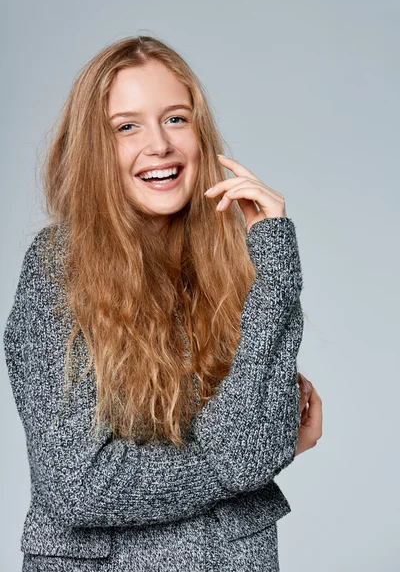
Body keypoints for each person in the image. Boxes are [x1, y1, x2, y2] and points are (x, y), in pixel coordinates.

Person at [3, 35, 322, 572]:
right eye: (127, 126)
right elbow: (79, 485)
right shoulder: (57, 267)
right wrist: (234, 464)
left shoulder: (237, 259)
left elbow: (266, 429)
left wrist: (275, 270)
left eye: (176, 118)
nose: (160, 145)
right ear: (94, 149)